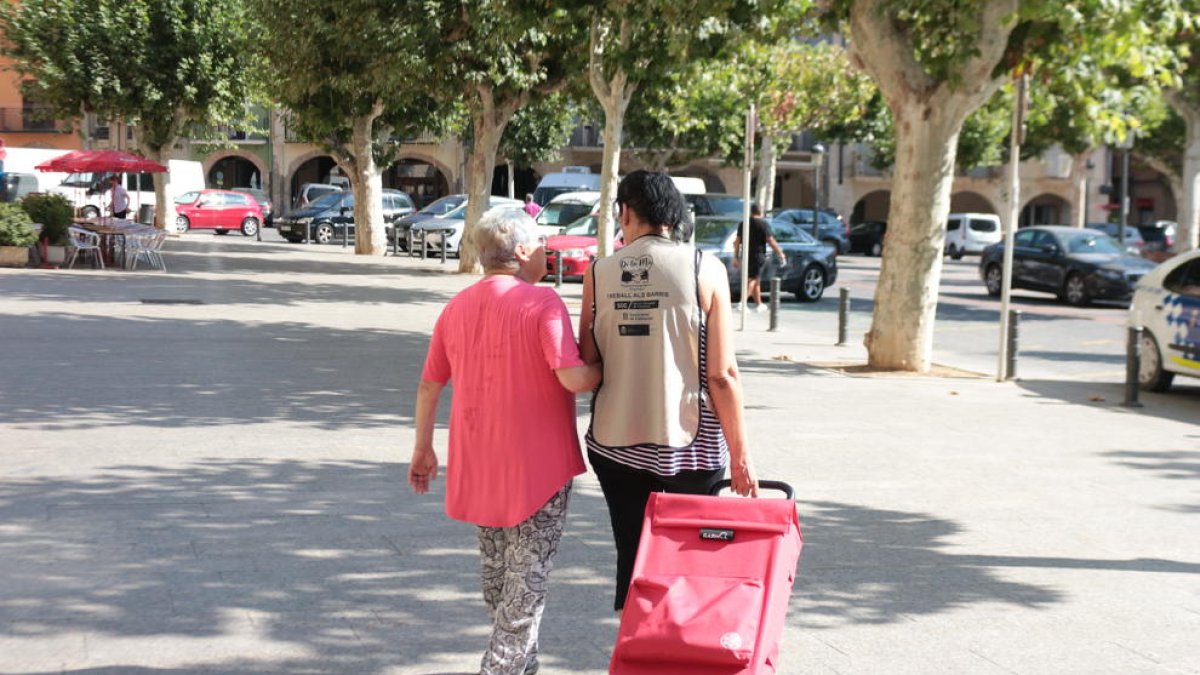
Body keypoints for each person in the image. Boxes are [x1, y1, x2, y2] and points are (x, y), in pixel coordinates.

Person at [409, 208, 601, 675]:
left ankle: (520, 665)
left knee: (499, 581)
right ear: (519, 252)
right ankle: (501, 668)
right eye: (539, 242)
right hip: (538, 469)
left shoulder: (457, 307)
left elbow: (430, 384)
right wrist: (607, 369)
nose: (544, 250)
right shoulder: (542, 303)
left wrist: (423, 448)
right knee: (524, 586)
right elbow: (574, 378)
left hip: (478, 463)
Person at [580, 170, 759, 613]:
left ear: (624, 211)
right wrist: (740, 454)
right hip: (691, 449)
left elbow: (588, 360)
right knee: (686, 565)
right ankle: (677, 648)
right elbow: (722, 375)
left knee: (633, 558)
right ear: (672, 215)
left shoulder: (599, 273)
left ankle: (636, 646)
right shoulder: (705, 267)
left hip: (614, 445)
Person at [733, 203, 786, 312]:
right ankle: (742, 303)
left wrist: (736, 256)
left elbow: (737, 241)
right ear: (761, 212)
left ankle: (759, 304)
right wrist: (780, 252)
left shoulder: (744, 223)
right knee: (754, 279)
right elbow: (770, 240)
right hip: (758, 255)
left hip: (746, 255)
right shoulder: (763, 224)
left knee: (756, 279)